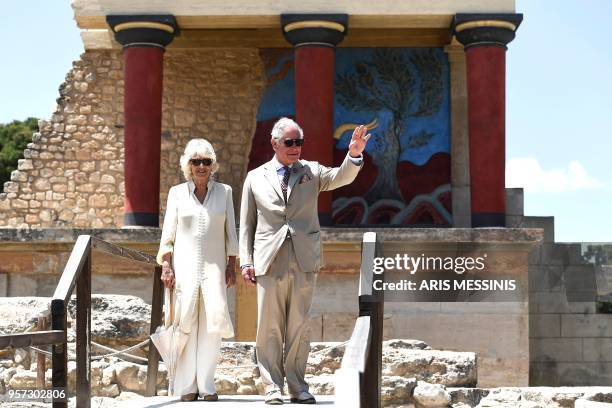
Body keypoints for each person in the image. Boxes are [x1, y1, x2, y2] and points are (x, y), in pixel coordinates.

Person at [239, 117, 370, 405]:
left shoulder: (311, 171)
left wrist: (355, 154)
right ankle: (272, 386)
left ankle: (297, 386)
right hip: (268, 260)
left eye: (299, 142)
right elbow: (246, 223)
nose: (295, 147)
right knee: (268, 325)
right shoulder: (255, 177)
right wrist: (245, 261)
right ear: (274, 143)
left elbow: (341, 177)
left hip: (304, 257)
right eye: (289, 142)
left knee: (298, 324)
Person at [157, 138, 238, 402]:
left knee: (213, 326)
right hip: (185, 268)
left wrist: (231, 264)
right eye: (196, 161)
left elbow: (231, 233)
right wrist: (166, 264)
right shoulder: (176, 193)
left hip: (215, 269)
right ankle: (186, 387)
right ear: (188, 166)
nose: (201, 166)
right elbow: (168, 234)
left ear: (212, 165)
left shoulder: (225, 192)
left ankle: (207, 385)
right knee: (186, 324)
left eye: (206, 161)